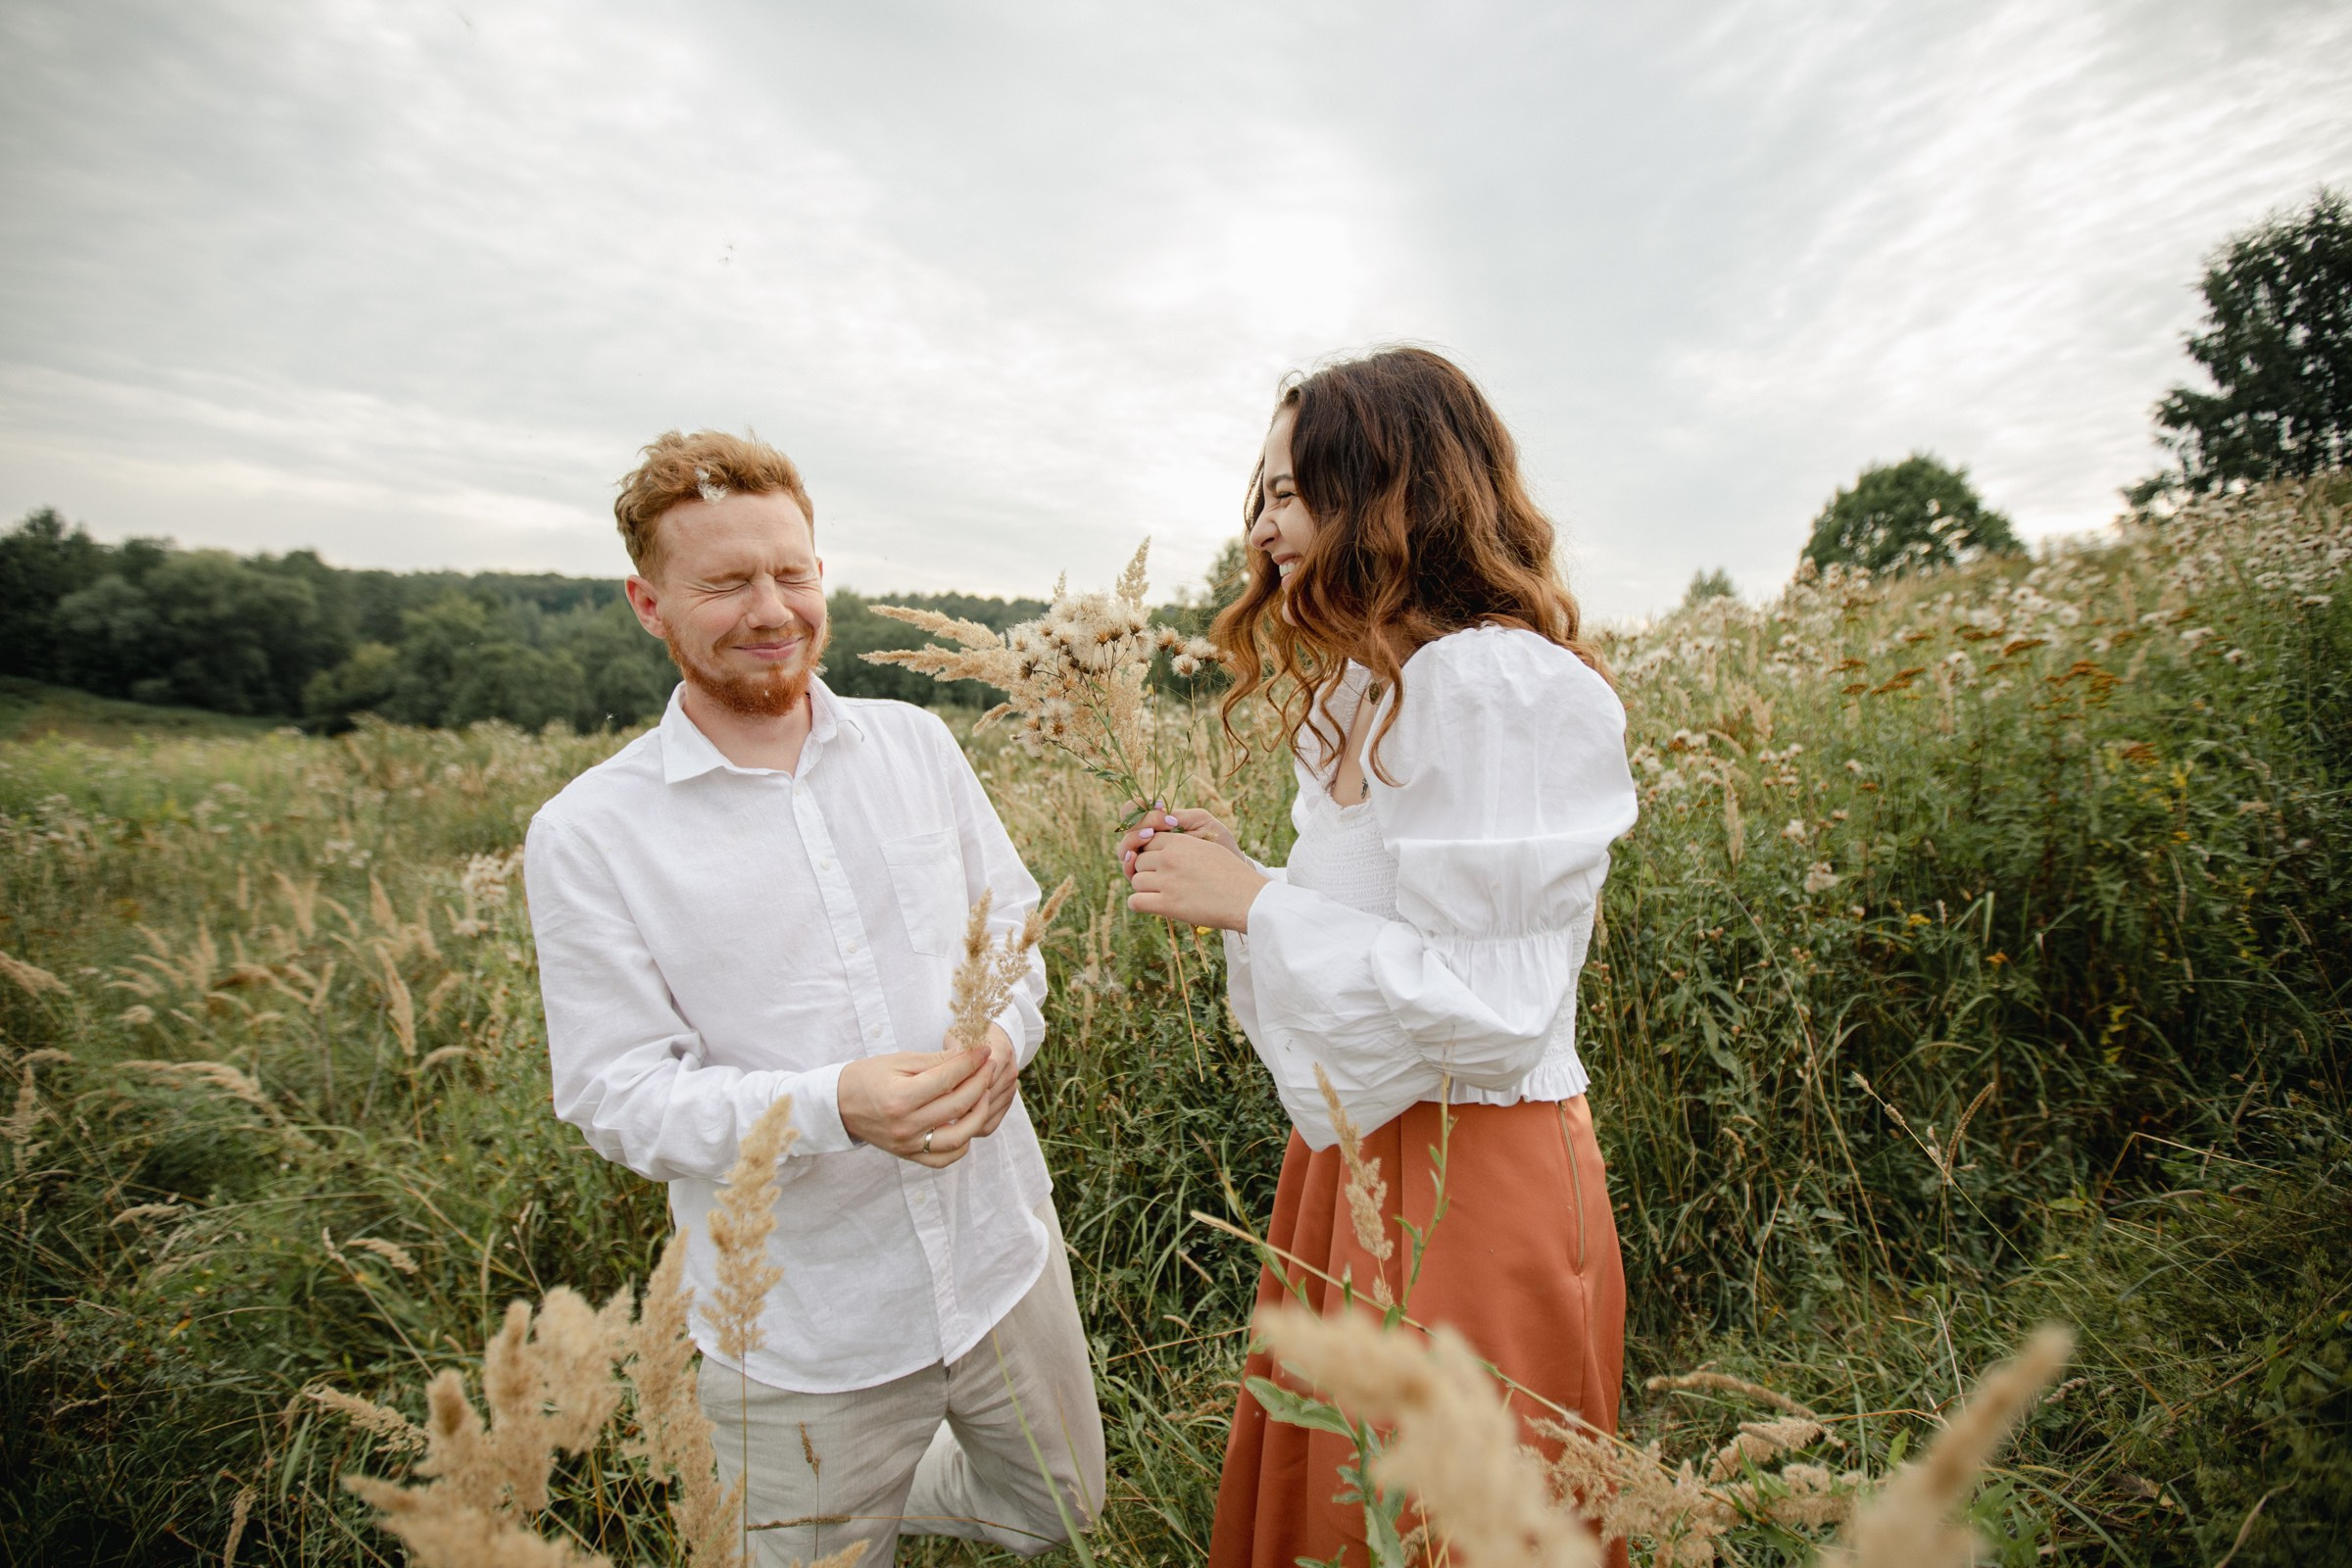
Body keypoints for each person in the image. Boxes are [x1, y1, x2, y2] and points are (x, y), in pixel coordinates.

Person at [525, 430, 1103, 1565]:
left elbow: (1015, 925)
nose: (770, 609)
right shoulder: (590, 833)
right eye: (725, 582)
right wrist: (833, 1105)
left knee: (1060, 1511)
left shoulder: (916, 744)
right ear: (649, 603)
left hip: (999, 1254)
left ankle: (898, 1495)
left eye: (791, 572)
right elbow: (615, 1095)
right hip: (805, 1325)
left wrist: (1007, 1034)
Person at [1118, 349, 1638, 1568]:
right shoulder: (1359, 698)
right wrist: (1245, 879)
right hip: (1351, 1165)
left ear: (1388, 492)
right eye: (1259, 494)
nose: (1261, 529)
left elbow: (1495, 1006)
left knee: (1456, 1523)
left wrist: (1260, 906)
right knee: (1352, 1508)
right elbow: (1390, 935)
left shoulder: (1497, 684)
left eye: (1289, 492)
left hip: (1477, 1174)